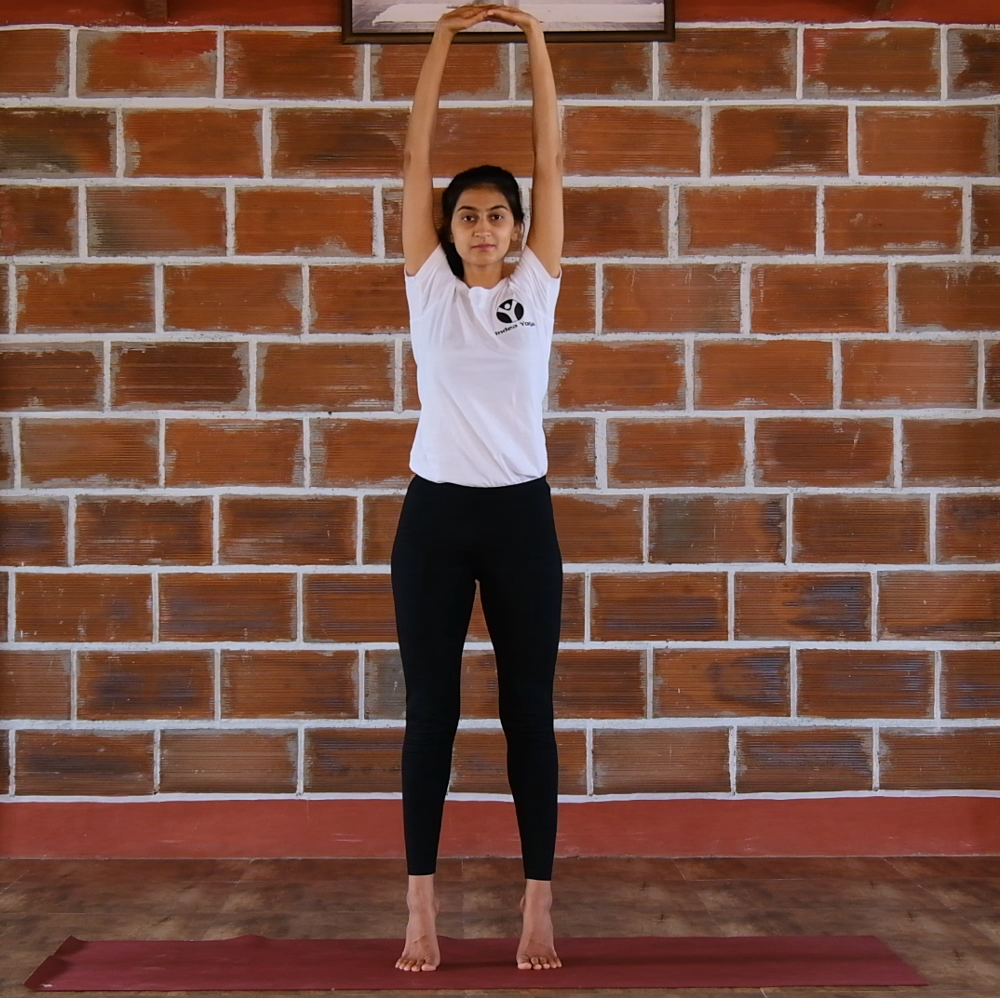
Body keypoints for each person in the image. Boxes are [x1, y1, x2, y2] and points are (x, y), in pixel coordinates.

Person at [389, 1, 565, 973]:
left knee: (526, 710)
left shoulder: (535, 282)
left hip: (520, 519)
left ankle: (536, 905)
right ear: (448, 229)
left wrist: (535, 38)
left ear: (518, 227)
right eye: (468, 214)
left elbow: (553, 151)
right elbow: (413, 155)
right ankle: (421, 909)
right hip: (435, 518)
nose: (485, 226)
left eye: (498, 213)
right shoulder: (427, 285)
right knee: (433, 712)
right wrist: (445, 41)